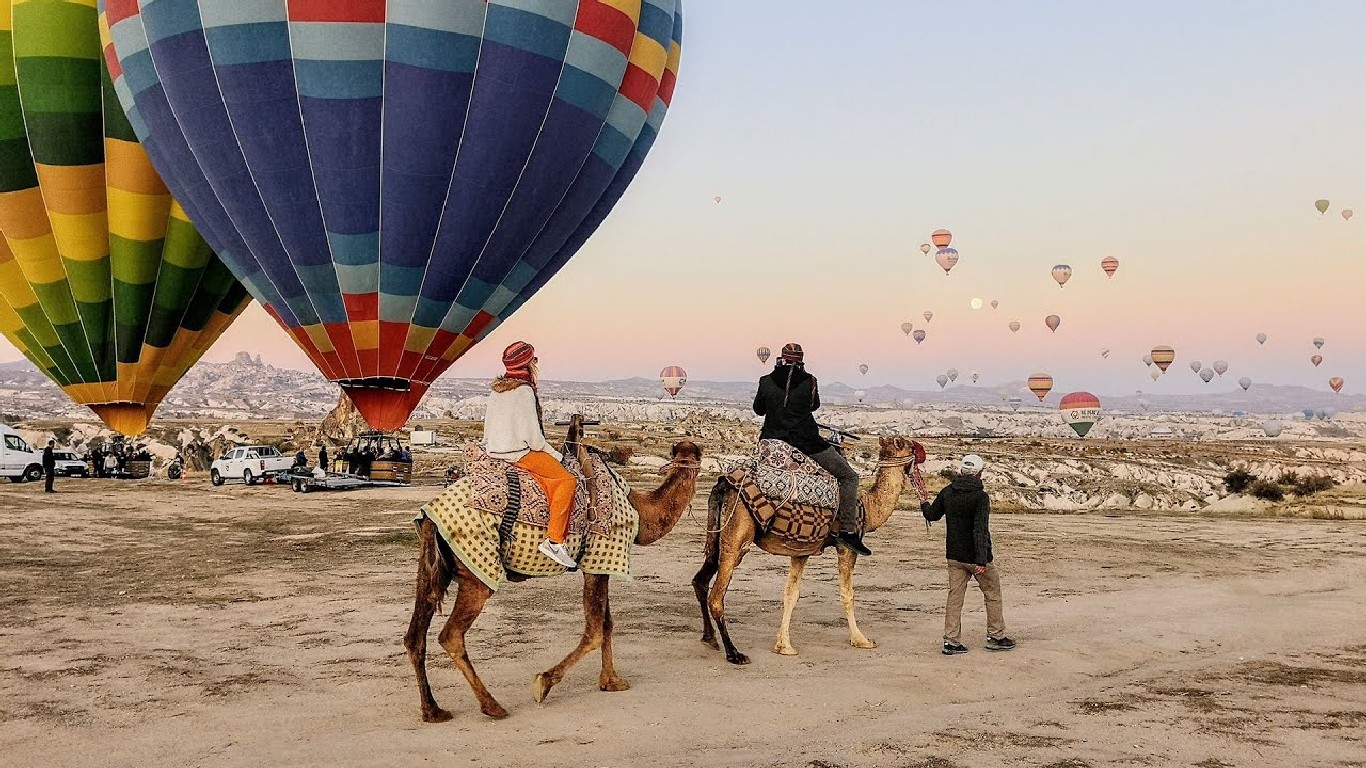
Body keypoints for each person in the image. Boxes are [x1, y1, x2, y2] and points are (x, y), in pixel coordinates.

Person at [753, 342, 870, 556]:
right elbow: (814, 406)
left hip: (772, 444)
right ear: (801, 361)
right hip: (806, 443)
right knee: (849, 477)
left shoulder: (765, 381)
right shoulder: (810, 381)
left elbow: (758, 409)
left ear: (781, 358)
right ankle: (848, 531)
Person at [483, 341, 577, 569]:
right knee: (566, 480)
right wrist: (556, 456)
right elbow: (534, 439)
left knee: (547, 480)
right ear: (527, 363)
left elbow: (487, 430)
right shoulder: (524, 392)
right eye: (534, 359)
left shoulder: (495, 392)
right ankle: (554, 541)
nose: (536, 363)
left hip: (495, 452)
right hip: (519, 454)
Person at [922, 454, 1015, 654]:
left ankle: (951, 641)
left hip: (954, 556)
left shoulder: (948, 492)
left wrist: (924, 503)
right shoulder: (980, 497)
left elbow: (931, 515)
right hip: (976, 558)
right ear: (979, 473)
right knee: (992, 594)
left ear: (962, 471)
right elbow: (980, 529)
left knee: (954, 598)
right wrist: (981, 559)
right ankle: (996, 636)